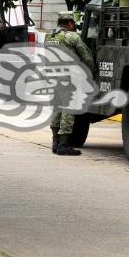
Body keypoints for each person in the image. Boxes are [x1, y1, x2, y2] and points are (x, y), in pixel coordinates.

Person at [46, 11, 95, 156]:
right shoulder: (73, 37)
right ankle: (63, 144)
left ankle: (55, 142)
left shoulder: (50, 37)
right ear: (69, 23)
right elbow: (86, 57)